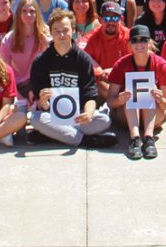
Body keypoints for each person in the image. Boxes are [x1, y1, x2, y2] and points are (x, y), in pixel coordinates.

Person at [27, 9, 119, 148]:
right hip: (52, 115)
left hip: (78, 115)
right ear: (51, 32)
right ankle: (87, 141)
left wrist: (88, 113)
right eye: (57, 31)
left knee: (104, 120)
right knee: (35, 119)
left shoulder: (83, 59)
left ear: (73, 30)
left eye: (65, 30)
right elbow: (41, 105)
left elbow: (90, 95)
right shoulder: (40, 61)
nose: (61, 34)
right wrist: (43, 101)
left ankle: (55, 135)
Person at [105, 24, 166, 159]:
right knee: (130, 97)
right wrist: (120, 99)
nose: (139, 44)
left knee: (149, 97)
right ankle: (135, 138)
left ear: (149, 42)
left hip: (155, 115)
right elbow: (110, 101)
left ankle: (149, 138)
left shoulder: (161, 64)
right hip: (127, 115)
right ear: (129, 44)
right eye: (135, 40)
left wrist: (160, 99)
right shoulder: (121, 64)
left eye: (143, 39)